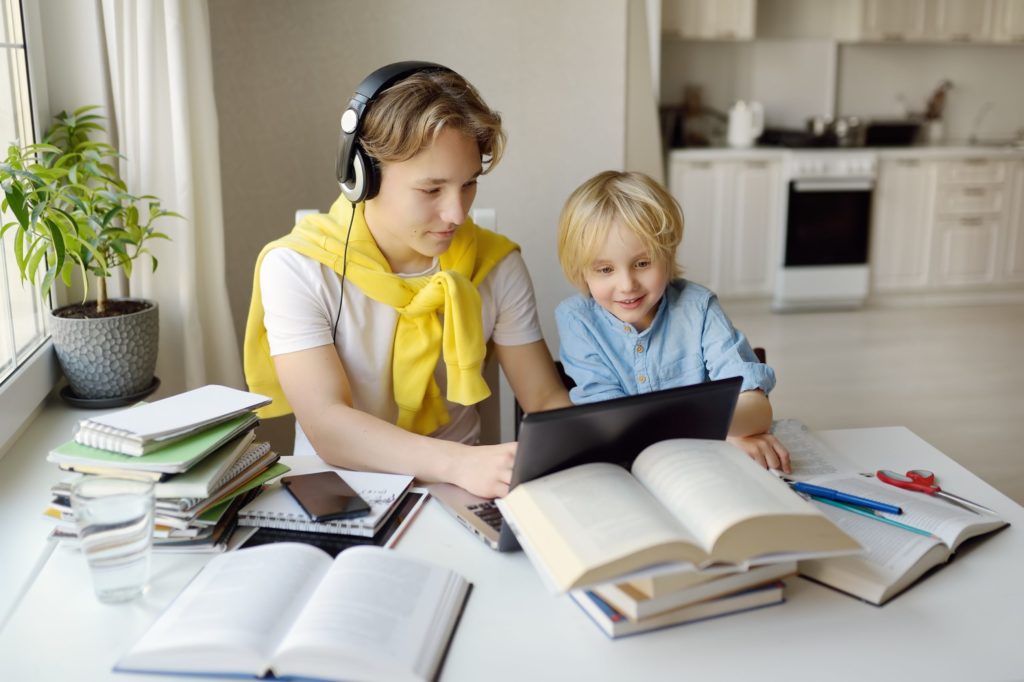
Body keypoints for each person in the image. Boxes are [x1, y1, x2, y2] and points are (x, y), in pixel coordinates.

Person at [244, 62, 570, 499]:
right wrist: (458, 462)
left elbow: (545, 402)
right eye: (432, 190)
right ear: (364, 177)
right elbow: (328, 424)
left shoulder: (497, 264)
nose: (457, 214)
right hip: (338, 492)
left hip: (464, 491)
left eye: (469, 184)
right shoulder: (296, 267)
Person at [554, 170, 791, 472]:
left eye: (642, 263)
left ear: (668, 253)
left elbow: (757, 410)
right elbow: (611, 426)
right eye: (604, 270)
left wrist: (732, 431)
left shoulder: (699, 308)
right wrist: (720, 431)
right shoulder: (577, 320)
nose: (627, 284)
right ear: (581, 271)